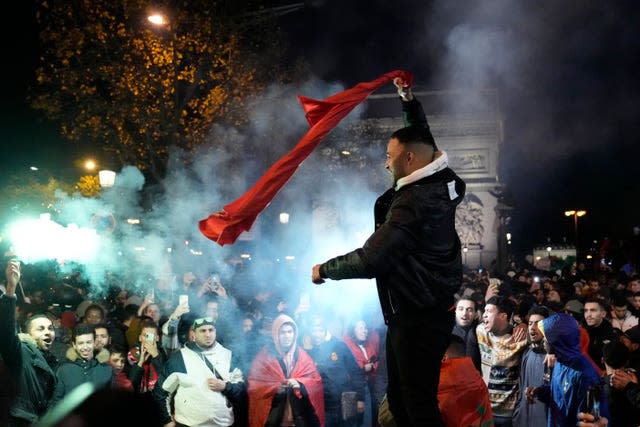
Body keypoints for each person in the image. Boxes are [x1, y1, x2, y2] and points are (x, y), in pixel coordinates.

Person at [311, 77, 466, 427]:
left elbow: (371, 258)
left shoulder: (412, 203)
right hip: (421, 312)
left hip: (416, 318)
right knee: (400, 401)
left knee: (417, 407)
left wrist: (324, 269)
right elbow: (422, 136)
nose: (385, 164)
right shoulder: (438, 179)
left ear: (409, 160)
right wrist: (408, 99)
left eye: (389, 156)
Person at [154, 317, 246, 427]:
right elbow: (160, 391)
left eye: (211, 330)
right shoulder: (180, 358)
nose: (208, 334)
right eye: (203, 331)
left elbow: (241, 390)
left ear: (215, 332)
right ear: (193, 334)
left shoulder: (229, 355)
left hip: (223, 424)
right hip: (188, 424)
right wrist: (167, 420)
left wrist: (225, 387)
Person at [0, 259, 59, 426]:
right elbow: (5, 332)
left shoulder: (52, 361)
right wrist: (11, 290)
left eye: (50, 328)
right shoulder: (21, 352)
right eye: (40, 329)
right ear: (27, 334)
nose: (47, 332)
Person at [525, 313, 610, 427]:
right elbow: (560, 394)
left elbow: (588, 418)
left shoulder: (585, 374)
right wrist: (539, 392)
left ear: (557, 340)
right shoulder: (560, 362)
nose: (543, 341)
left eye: (546, 337)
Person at [248, 313, 324, 427]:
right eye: (282, 332)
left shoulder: (303, 357)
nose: (287, 336)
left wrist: (300, 384)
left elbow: (315, 382)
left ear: (295, 334)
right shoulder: (264, 357)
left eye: (290, 332)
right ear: (275, 334)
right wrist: (274, 389)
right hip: (273, 419)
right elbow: (254, 386)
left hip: (299, 419)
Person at [476, 295, 528, 427]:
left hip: (509, 413)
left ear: (503, 316)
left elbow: (543, 327)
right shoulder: (481, 331)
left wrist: (524, 325)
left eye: (489, 311)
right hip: (484, 408)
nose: (484, 315)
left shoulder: (520, 337)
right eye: (484, 311)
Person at [308, 314, 366, 427]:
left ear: (325, 330)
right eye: (313, 331)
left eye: (319, 330)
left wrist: (360, 398)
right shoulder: (311, 351)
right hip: (324, 406)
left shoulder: (339, 345)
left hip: (345, 402)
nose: (316, 334)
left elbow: (355, 372)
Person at [50, 323, 113, 408]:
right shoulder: (64, 370)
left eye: (89, 342)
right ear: (74, 345)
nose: (85, 347)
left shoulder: (106, 370)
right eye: (81, 343)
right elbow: (56, 402)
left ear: (94, 343)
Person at [513, 306, 552, 427]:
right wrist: (518, 412)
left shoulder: (553, 357)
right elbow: (521, 384)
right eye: (530, 323)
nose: (532, 327)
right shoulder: (527, 353)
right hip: (524, 419)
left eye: (538, 324)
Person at [583, 298, 617, 371]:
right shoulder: (580, 331)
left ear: (603, 314)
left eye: (593, 310)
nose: (588, 315)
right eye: (586, 311)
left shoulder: (611, 334)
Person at [452, 296, 482, 371]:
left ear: (475, 314)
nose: (465, 313)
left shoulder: (481, 332)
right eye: (461, 309)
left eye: (470, 310)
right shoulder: (445, 331)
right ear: (455, 311)